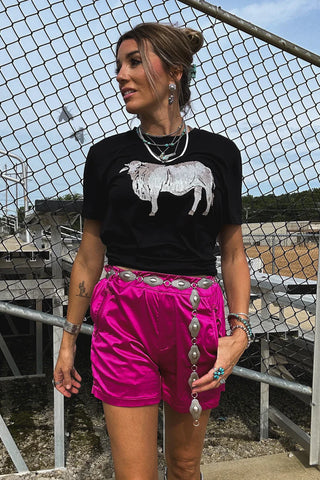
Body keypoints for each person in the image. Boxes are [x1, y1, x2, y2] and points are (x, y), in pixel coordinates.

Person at [53, 22, 251, 480]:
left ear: (175, 72)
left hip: (196, 317)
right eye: (119, 64)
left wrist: (238, 335)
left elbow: (233, 252)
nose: (120, 74)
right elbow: (88, 256)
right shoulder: (106, 157)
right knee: (135, 474)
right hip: (123, 317)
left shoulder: (220, 154)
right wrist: (68, 340)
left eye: (134, 61)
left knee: (184, 466)